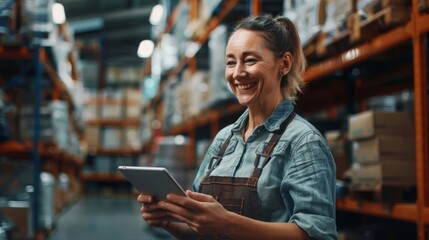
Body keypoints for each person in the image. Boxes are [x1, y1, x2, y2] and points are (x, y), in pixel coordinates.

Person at [138, 14, 337, 240]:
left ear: (284, 64)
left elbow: (318, 235)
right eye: (231, 62)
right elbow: (200, 230)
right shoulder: (224, 140)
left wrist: (227, 223)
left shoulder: (303, 142)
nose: (237, 73)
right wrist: (166, 220)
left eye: (250, 60)